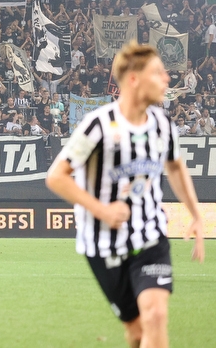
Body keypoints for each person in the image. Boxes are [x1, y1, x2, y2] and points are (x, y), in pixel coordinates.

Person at [46, 42, 205, 348]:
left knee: (156, 316)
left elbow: (175, 167)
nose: (167, 79)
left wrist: (196, 215)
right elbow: (56, 176)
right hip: (103, 245)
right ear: (133, 78)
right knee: (135, 332)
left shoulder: (162, 125)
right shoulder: (97, 126)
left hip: (150, 237)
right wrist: (102, 210)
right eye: (158, 72)